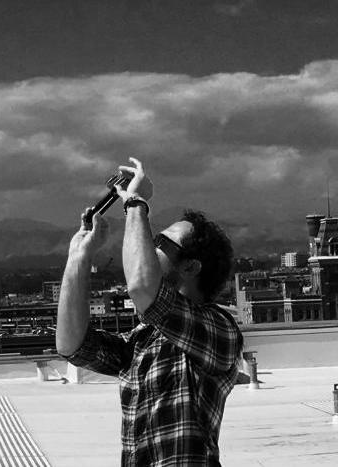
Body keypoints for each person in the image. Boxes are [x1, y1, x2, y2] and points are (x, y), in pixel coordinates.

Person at [55, 157, 243, 467]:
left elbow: (143, 288)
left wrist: (137, 204)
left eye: (160, 242)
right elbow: (72, 345)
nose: (151, 246)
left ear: (191, 267)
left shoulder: (219, 330)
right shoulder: (144, 339)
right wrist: (78, 256)